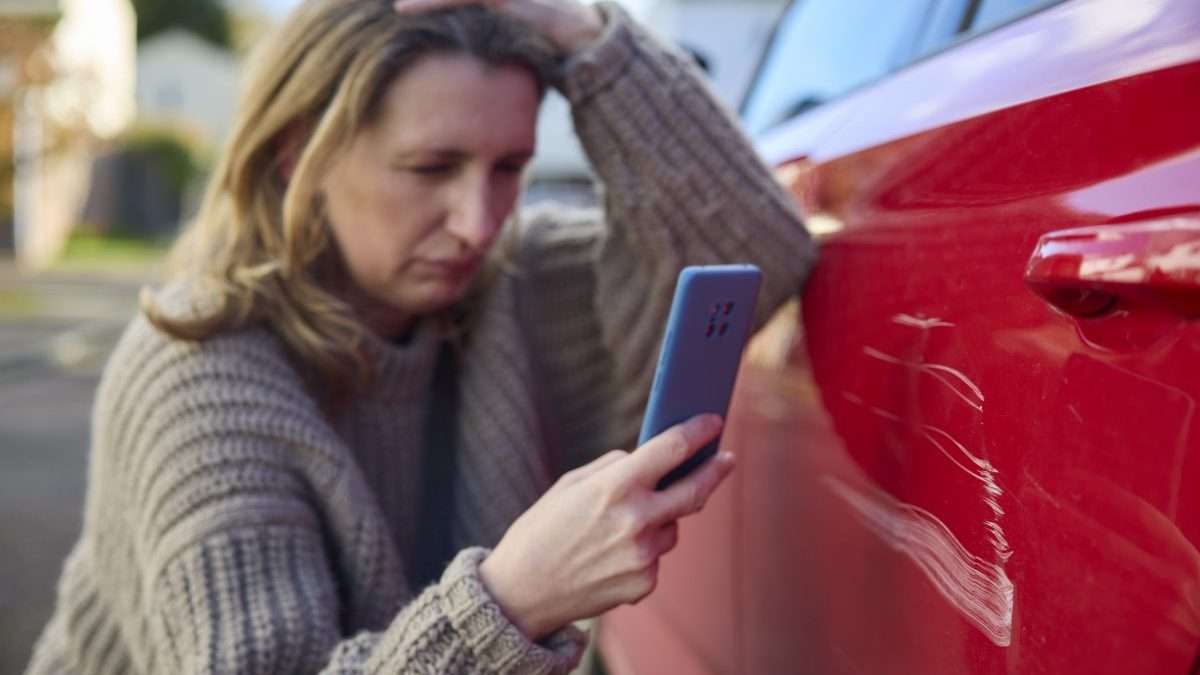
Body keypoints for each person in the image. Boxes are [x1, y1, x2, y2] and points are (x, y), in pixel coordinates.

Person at [26, 0, 814, 672]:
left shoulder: (515, 288)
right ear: (300, 150)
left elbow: (753, 248)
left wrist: (581, 35)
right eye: (431, 167)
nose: (477, 223)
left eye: (509, 167)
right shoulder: (200, 372)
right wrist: (513, 599)